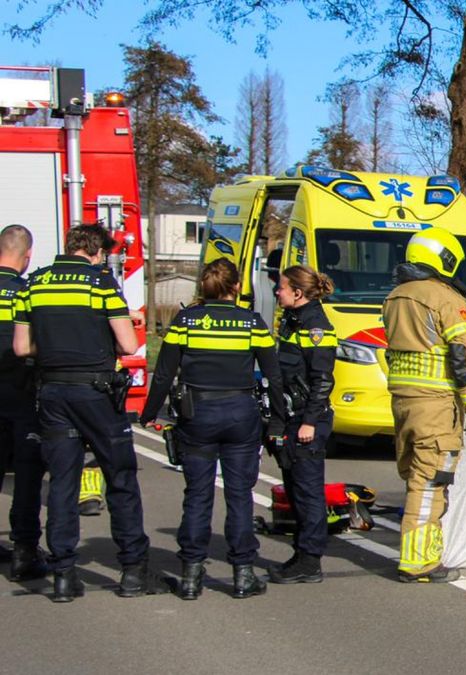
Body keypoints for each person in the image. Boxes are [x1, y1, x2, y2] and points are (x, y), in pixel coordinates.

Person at [12, 224, 157, 602]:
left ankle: (63, 574)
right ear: (95, 252)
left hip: (52, 392)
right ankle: (131, 571)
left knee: (62, 482)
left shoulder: (34, 284)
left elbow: (22, 347)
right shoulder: (101, 283)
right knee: (120, 477)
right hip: (95, 392)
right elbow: (127, 343)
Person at [140, 259, 287, 600]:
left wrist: (149, 412)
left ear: (203, 288)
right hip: (240, 414)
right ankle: (243, 574)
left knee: (197, 495)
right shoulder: (252, 322)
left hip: (197, 415)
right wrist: (278, 419)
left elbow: (163, 373)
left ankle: (191, 575)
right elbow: (273, 375)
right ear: (236, 287)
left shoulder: (186, 321)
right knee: (239, 496)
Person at [383, 226, 466, 583]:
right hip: (437, 405)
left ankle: (420, 555)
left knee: (415, 476)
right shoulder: (443, 298)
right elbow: (462, 356)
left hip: (403, 401)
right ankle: (418, 562)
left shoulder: (396, 296)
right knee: (430, 483)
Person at [268, 265, 337, 584]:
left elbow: (322, 380)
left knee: (308, 491)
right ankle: (301, 552)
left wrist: (310, 422)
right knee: (295, 489)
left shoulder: (316, 327)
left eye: (281, 287)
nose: (276, 292)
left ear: (297, 292)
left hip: (308, 420)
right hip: (291, 417)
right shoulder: (293, 321)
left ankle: (310, 560)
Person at [0, 225, 47, 581]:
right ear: (27, 256)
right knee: (28, 475)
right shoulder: (25, 293)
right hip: (21, 393)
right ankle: (24, 551)